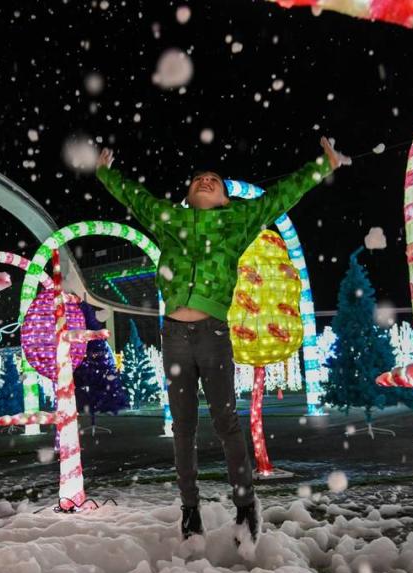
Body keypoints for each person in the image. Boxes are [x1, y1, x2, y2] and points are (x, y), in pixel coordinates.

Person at [96, 138, 348, 547]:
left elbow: (283, 193)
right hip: (174, 338)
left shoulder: (240, 219)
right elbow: (134, 196)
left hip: (213, 334)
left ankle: (246, 504)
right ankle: (189, 509)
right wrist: (107, 172)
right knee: (183, 428)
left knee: (226, 422)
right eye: (199, 179)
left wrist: (324, 164)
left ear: (227, 198)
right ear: (187, 195)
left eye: (213, 179)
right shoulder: (167, 219)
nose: (206, 180)